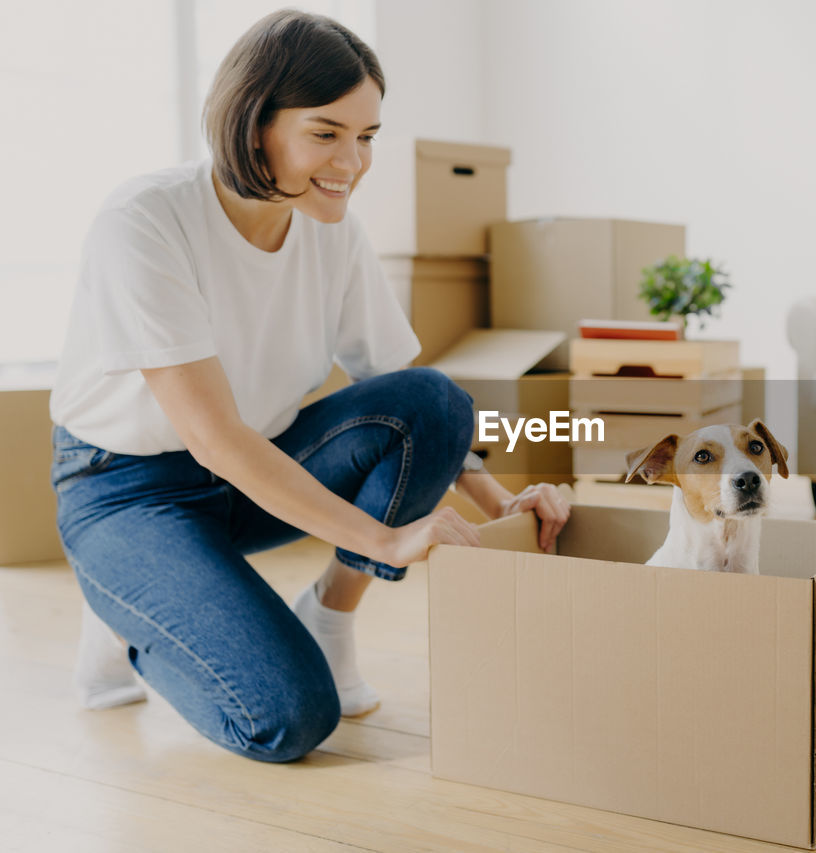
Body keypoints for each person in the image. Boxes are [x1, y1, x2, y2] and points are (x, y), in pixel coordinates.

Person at [48, 9, 570, 763]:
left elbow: (406, 393)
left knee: (431, 399)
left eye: (367, 137)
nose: (353, 162)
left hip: (251, 473)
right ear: (253, 123)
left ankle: (330, 614)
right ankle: (130, 612)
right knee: (289, 719)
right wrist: (389, 539)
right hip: (128, 491)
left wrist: (501, 503)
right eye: (326, 133)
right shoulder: (145, 221)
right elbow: (213, 437)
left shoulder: (333, 230)